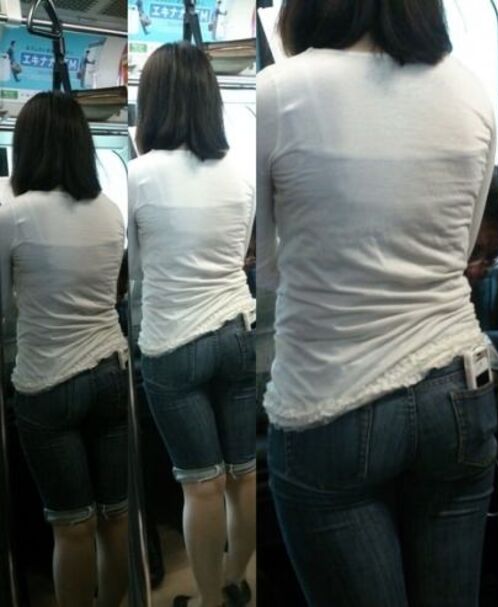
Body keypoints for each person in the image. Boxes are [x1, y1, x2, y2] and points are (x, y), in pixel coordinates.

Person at [258, 1, 498, 605]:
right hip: (457, 389)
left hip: (330, 398)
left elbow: (266, 272)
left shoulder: (278, 93)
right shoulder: (470, 92)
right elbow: (463, 248)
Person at [129, 42, 256, 607]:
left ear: (153, 102)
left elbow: (134, 269)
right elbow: (241, 252)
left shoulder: (138, 176)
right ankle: (234, 580)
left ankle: (207, 599)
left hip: (173, 343)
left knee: (201, 487)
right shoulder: (240, 173)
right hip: (236, 332)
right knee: (243, 475)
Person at [0, 91, 129, 607]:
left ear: (26, 147)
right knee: (116, 516)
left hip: (47, 383)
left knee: (72, 526)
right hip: (111, 373)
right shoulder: (111, 211)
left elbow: (3, 311)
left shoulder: (13, 215)